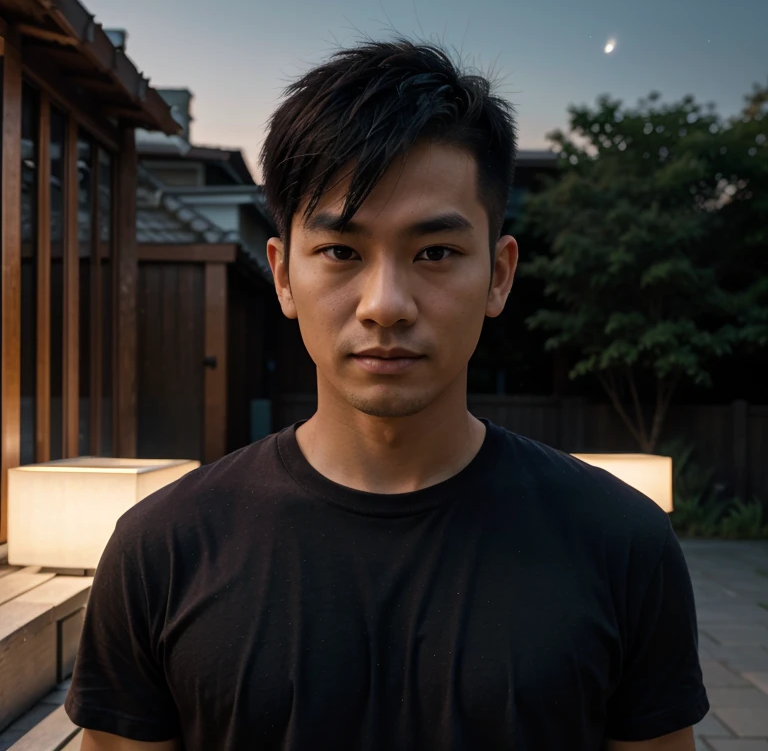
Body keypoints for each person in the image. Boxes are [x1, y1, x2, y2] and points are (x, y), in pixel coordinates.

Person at [66, 39, 709, 751]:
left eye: (435, 252)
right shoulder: (163, 549)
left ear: (499, 274)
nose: (386, 304)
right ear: (283, 275)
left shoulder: (621, 544)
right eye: (341, 251)